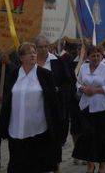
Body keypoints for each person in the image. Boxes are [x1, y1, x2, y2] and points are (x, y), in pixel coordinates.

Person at [0, 42, 62, 173]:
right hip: (16, 130)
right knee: (17, 166)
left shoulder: (45, 75)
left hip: (38, 130)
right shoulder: (14, 75)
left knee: (37, 166)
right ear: (21, 58)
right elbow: (9, 99)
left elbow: (53, 103)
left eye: (34, 52)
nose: (33, 54)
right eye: (29, 52)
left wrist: (57, 126)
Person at [72, 45, 105, 173]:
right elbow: (78, 82)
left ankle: (103, 166)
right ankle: (90, 164)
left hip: (103, 108)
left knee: (103, 137)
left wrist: (96, 90)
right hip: (86, 108)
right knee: (88, 137)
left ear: (102, 56)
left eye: (98, 55)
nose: (96, 58)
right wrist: (82, 89)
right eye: (93, 55)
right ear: (88, 57)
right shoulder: (83, 68)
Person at [35, 35, 70, 171]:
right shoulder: (32, 63)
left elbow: (67, 83)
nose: (43, 49)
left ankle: (56, 166)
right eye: (40, 47)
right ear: (36, 48)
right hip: (36, 106)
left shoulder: (57, 62)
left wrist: (58, 89)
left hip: (53, 106)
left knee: (53, 137)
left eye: (45, 46)